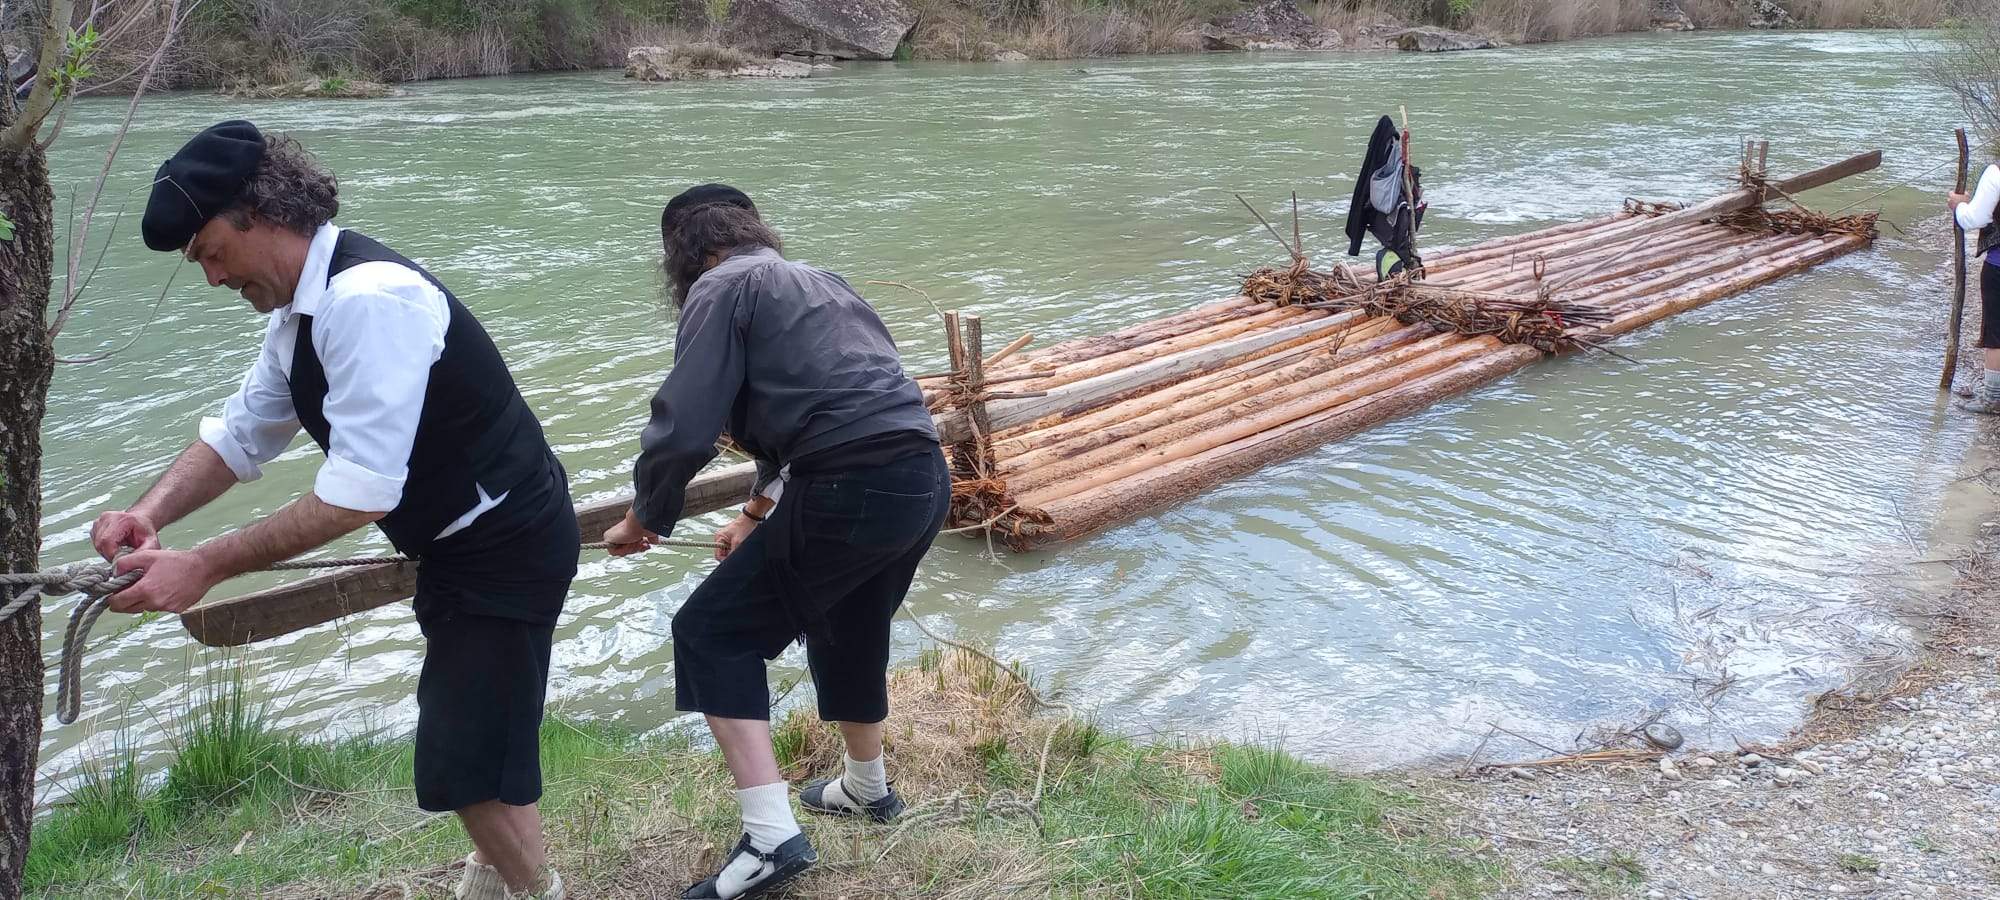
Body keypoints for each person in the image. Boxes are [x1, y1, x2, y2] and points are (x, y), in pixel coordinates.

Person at [89, 121, 573, 900]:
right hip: (467, 544)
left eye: (211, 252)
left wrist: (205, 565)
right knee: (492, 734)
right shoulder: (299, 311)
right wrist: (151, 515)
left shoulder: (367, 300)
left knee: (459, 760)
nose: (211, 279)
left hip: (504, 541)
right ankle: (502, 880)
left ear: (265, 215)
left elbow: (360, 493)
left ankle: (536, 891)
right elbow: (241, 434)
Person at [603, 185, 947, 899]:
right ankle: (865, 788)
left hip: (848, 481)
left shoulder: (718, 285)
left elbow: (685, 422)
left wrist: (646, 517)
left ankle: (769, 838)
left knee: (710, 633)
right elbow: (813, 404)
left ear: (684, 253)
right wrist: (756, 514)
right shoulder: (824, 282)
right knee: (846, 621)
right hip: (921, 476)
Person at [1951, 159, 2000, 413]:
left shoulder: (1996, 173)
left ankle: (1994, 398)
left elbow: (1974, 219)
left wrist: (1959, 206)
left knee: (1996, 333)